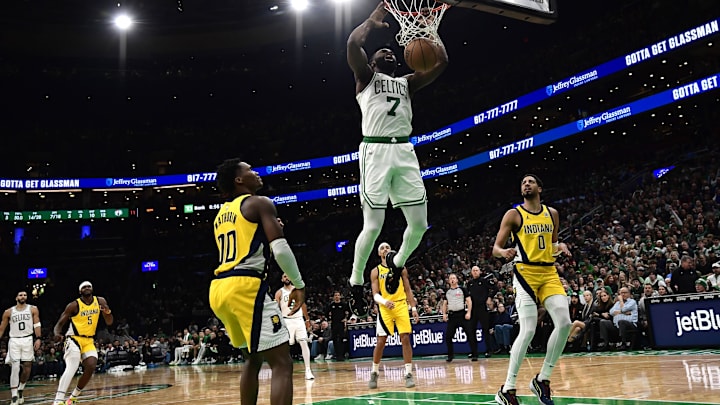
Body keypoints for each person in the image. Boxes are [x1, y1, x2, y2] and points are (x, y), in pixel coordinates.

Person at [346, 1, 448, 317]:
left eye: (392, 52)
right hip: (375, 151)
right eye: (382, 53)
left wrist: (431, 32)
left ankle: (397, 262)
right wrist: (372, 20)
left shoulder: (407, 83)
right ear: (373, 63)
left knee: (418, 225)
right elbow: (353, 44)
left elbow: (441, 62)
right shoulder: (365, 78)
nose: (388, 52)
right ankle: (355, 280)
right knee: (373, 225)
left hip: (404, 151)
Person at [209, 159, 306, 405]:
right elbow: (281, 250)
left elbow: (248, 244)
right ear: (238, 179)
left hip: (220, 288)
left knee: (252, 359)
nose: (256, 172)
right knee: (282, 363)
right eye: (249, 170)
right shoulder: (259, 203)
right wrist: (299, 284)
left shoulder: (221, 215)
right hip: (245, 287)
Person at [492, 174, 572, 405]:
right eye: (523, 183)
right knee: (528, 330)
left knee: (564, 323)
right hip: (525, 273)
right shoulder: (514, 215)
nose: (526, 184)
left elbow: (553, 245)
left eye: (530, 182)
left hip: (548, 273)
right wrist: (504, 252)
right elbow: (496, 247)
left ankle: (542, 379)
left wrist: (561, 247)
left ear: (539, 187)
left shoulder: (552, 214)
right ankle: (507, 389)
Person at [368, 242, 419, 389]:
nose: (385, 249)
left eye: (387, 247)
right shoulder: (375, 271)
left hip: (401, 305)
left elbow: (408, 289)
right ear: (379, 254)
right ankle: (374, 372)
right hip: (385, 308)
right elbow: (375, 294)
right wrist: (384, 302)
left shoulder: (400, 268)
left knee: (405, 339)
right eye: (382, 248)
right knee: (381, 341)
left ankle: (408, 373)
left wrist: (413, 308)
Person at [52, 281, 113, 405]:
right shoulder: (74, 305)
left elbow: (110, 322)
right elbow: (59, 324)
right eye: (84, 287)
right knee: (72, 367)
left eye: (89, 286)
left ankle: (73, 397)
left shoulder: (100, 301)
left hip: (89, 340)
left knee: (91, 365)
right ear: (80, 291)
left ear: (92, 289)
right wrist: (57, 334)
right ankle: (58, 400)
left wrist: (107, 312)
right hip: (73, 338)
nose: (87, 288)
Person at [0, 290, 41, 405]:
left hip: (28, 339)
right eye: (20, 295)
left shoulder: (33, 309)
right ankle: (14, 396)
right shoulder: (8, 312)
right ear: (16, 297)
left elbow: (37, 324)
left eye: (25, 295)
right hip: (14, 340)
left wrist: (38, 338)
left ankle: (20, 389)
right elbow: (2, 328)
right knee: (15, 366)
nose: (23, 297)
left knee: (27, 367)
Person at [275, 273, 315, 380]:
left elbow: (303, 305)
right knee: (286, 346)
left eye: (288, 276)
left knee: (303, 342)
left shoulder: (297, 290)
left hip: (298, 319)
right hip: (286, 320)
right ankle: (284, 370)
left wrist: (307, 320)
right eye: (284, 276)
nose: (286, 278)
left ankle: (308, 370)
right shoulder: (279, 293)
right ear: (281, 279)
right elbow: (276, 309)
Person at [440, 273, 474, 362]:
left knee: (470, 334)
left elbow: (469, 301)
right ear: (448, 280)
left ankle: (474, 354)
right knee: (448, 336)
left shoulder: (462, 289)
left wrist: (469, 312)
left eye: (454, 278)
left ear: (457, 280)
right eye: (450, 278)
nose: (452, 280)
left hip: (462, 314)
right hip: (452, 316)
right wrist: (444, 314)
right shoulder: (447, 291)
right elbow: (444, 304)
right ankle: (450, 355)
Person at [466, 265, 494, 358]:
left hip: (482, 308)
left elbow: (494, 288)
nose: (475, 272)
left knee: (485, 330)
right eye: (473, 270)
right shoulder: (469, 283)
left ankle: (489, 350)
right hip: (473, 309)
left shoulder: (484, 281)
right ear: (471, 272)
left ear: (480, 272)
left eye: (476, 270)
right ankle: (474, 352)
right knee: (471, 331)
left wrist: (489, 298)